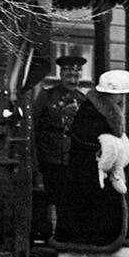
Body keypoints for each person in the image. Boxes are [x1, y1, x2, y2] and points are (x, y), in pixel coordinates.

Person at [48, 69, 129, 257]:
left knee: (97, 209)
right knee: (92, 209)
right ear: (110, 94)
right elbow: (88, 140)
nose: (123, 98)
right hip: (90, 171)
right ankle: (89, 251)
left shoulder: (97, 108)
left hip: (93, 170)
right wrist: (109, 148)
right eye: (120, 94)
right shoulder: (93, 111)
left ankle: (99, 250)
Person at [31, 55, 86, 221]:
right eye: (69, 75)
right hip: (50, 157)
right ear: (61, 75)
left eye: (76, 76)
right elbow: (34, 124)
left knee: (71, 199)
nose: (73, 79)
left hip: (73, 158)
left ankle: (66, 234)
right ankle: (47, 234)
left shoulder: (82, 99)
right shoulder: (47, 96)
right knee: (48, 197)